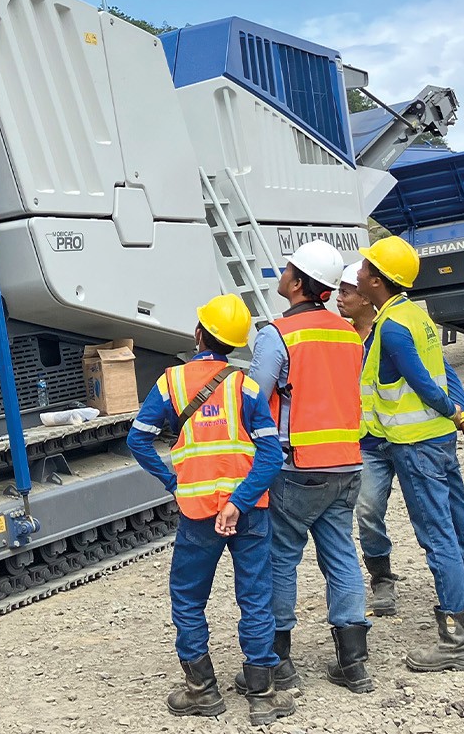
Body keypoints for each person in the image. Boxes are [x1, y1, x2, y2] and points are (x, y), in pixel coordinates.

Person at [127, 295, 296, 724]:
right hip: (249, 512)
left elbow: (138, 439)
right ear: (234, 344)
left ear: (199, 334)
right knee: (255, 597)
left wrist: (174, 483)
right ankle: (262, 695)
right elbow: (271, 455)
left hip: (197, 512)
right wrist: (238, 502)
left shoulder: (171, 383)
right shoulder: (246, 387)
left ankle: (202, 691)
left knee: (188, 598)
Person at [354, 236, 464, 672]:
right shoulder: (414, 316)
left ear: (378, 281)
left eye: (365, 268)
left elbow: (426, 385)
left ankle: (456, 640)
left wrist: (457, 413)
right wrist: (461, 423)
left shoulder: (391, 327)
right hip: (437, 441)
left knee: (438, 538)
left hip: (416, 446)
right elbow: (442, 372)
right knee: (462, 526)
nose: (359, 273)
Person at [243, 241, 374, 695]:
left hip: (296, 466)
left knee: (280, 559)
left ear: (298, 283)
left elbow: (254, 399)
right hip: (346, 463)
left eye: (286, 269)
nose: (280, 274)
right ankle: (354, 664)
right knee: (341, 555)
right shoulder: (348, 334)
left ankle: (278, 662)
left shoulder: (277, 334)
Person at [338, 262, 464, 620]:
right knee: (369, 512)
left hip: (409, 439)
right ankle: (381, 576)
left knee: (438, 526)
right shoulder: (342, 338)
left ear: (367, 294)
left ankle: (460, 605)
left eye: (347, 290)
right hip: (371, 442)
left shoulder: (393, 328)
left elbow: (441, 375)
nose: (339, 297)